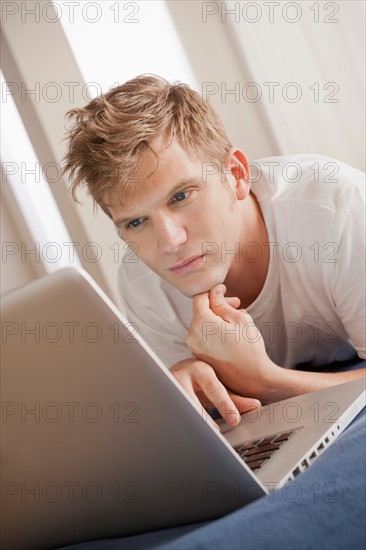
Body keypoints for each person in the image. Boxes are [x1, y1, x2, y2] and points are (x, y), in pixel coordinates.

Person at [62, 74, 365, 429]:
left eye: (180, 196)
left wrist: (265, 381)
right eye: (136, 222)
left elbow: (261, 390)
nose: (170, 242)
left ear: (236, 174)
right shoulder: (142, 283)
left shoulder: (334, 207)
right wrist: (190, 388)